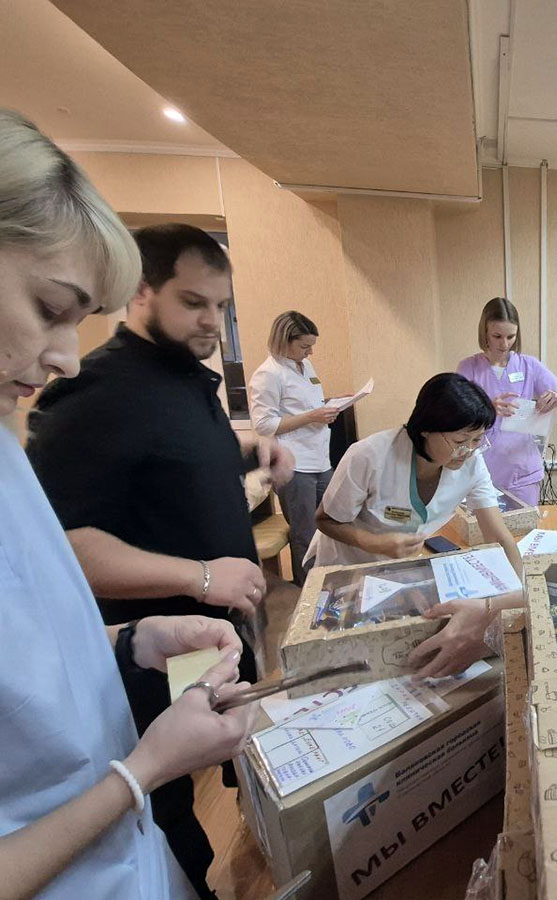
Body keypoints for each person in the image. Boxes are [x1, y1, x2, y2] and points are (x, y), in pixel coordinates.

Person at [0, 107, 255, 899]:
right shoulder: (100, 394)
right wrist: (139, 771)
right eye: (50, 309)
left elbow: (32, 629)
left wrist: (130, 640)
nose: (64, 357)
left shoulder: (11, 446)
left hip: (125, 826)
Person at [25, 222, 294, 898]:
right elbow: (63, 547)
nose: (212, 322)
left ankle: (257, 841)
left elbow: (174, 460)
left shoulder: (182, 377)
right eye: (193, 302)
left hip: (214, 634)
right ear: (141, 291)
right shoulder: (96, 392)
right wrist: (200, 577)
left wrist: (253, 449)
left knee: (234, 751)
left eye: (221, 306)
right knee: (166, 807)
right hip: (151, 649)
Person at [310, 372, 524, 678]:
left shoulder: (472, 464)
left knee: (396, 658)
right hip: (346, 570)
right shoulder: (369, 456)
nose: (468, 450)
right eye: (460, 441)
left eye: (477, 440)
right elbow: (324, 519)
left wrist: (520, 596)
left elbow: (498, 535)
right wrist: (376, 542)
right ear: (425, 428)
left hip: (396, 573)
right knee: (345, 662)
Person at [249, 310, 343, 585]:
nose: (310, 352)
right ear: (284, 340)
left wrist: (332, 403)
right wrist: (313, 416)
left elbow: (305, 405)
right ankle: (308, 592)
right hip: (295, 464)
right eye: (304, 346)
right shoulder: (268, 374)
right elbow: (264, 425)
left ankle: (331, 584)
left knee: (332, 526)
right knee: (305, 534)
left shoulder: (305, 366)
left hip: (320, 459)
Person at [456, 297, 557, 505]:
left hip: (522, 472)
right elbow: (455, 417)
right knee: (485, 526)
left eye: (511, 336)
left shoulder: (529, 366)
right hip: (481, 470)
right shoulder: (469, 368)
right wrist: (486, 408)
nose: (504, 344)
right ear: (484, 332)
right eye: (497, 336)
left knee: (525, 524)